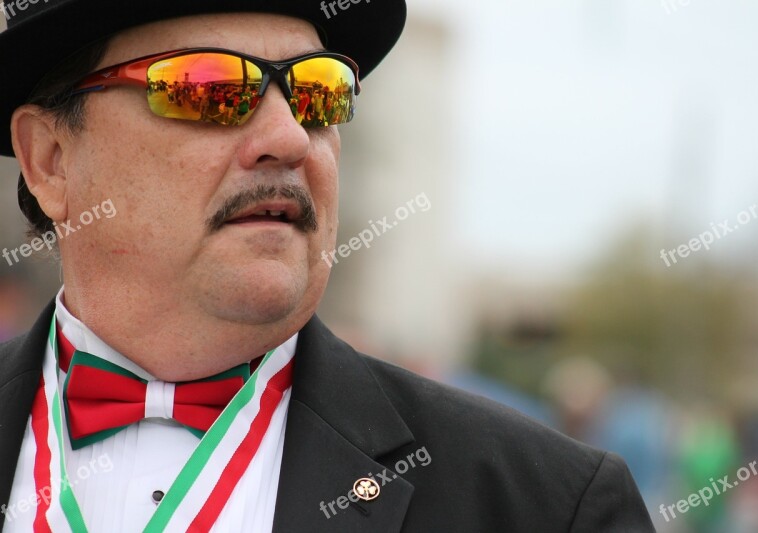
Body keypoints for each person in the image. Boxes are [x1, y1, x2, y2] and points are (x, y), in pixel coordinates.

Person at [0, 1, 655, 531]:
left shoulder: (545, 506)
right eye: (212, 89)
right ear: (51, 159)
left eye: (320, 95)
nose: (289, 137)